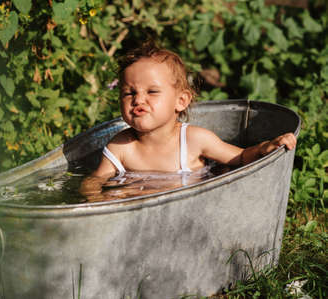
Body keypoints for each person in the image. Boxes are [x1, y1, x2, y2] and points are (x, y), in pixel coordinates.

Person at [80, 41, 297, 202]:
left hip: (190, 212)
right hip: (139, 218)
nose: (138, 100)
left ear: (181, 101)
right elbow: (95, 179)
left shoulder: (194, 140)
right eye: (128, 93)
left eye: (152, 91)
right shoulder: (120, 147)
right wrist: (97, 200)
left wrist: (264, 148)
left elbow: (239, 157)